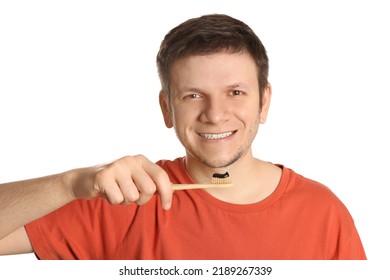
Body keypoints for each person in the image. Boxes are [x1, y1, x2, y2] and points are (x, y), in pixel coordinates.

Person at [0, 14, 366, 260]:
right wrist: (70, 184)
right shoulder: (126, 198)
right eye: (193, 95)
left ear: (264, 101)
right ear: (166, 108)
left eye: (235, 92)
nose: (215, 114)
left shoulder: (323, 213)